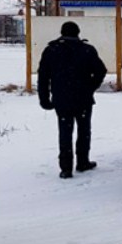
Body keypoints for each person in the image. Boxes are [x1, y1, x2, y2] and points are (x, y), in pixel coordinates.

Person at [37, 21, 107, 179]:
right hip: (83, 98)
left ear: (61, 32)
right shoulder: (87, 50)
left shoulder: (51, 50)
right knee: (84, 131)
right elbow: (100, 70)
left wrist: (44, 98)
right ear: (78, 33)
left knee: (65, 132)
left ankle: (66, 168)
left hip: (61, 98)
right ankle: (83, 162)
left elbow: (43, 77)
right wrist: (90, 87)